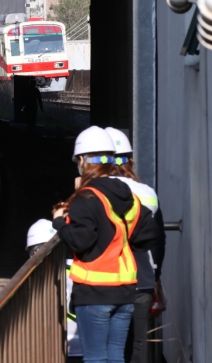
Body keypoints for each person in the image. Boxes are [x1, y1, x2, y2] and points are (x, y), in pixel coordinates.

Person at [52, 126, 160, 363]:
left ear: (82, 160)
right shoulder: (126, 194)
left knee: (96, 358)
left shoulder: (86, 197)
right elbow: (149, 234)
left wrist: (60, 221)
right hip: (124, 290)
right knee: (116, 357)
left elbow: (79, 240)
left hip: (94, 291)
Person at [103, 127, 166, 363]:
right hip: (142, 282)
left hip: (105, 282)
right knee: (137, 347)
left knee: (107, 346)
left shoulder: (94, 194)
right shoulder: (147, 193)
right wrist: (155, 275)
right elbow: (159, 240)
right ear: (130, 160)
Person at [26, 219, 82, 359]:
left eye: (35, 250)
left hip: (54, 347)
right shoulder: (78, 269)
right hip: (83, 344)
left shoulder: (36, 278)